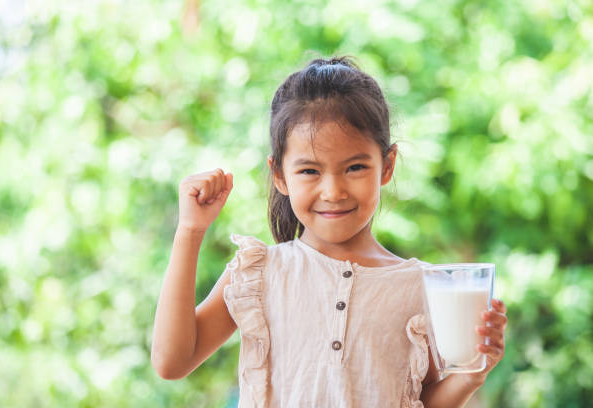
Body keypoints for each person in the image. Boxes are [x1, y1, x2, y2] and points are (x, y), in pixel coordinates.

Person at [151, 56, 508, 407]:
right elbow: (171, 362)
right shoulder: (259, 274)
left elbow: (421, 402)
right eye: (309, 171)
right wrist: (190, 231)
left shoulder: (421, 286)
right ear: (279, 175)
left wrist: (469, 376)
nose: (333, 191)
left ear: (387, 165)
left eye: (354, 167)